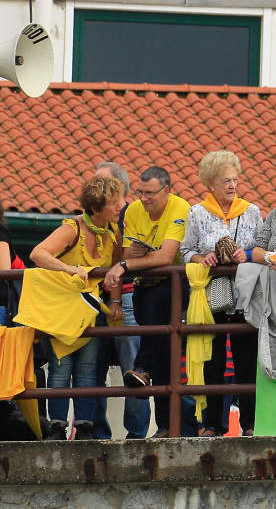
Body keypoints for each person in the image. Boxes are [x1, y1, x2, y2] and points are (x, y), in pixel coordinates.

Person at [29, 176, 126, 441]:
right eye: (114, 202)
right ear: (96, 208)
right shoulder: (72, 228)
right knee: (60, 368)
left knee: (88, 368)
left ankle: (84, 427)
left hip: (90, 313)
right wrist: (70, 269)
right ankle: (57, 427)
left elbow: (115, 270)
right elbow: (38, 253)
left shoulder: (113, 232)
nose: (121, 205)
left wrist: (115, 300)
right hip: (63, 311)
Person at [179, 150, 263, 438]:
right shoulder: (197, 213)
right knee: (212, 359)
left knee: (247, 358)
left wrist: (247, 253)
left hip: (245, 294)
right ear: (211, 184)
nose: (232, 185)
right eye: (225, 180)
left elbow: (262, 249)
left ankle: (252, 423)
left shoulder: (251, 211)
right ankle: (212, 424)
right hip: (211, 294)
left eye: (235, 180)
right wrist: (202, 258)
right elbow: (185, 251)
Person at [101, 166, 190, 436]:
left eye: (150, 193)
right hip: (144, 287)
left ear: (167, 190)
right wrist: (131, 261)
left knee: (171, 357)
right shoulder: (134, 211)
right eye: (140, 192)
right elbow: (130, 251)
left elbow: (165, 258)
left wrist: (127, 263)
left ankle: (141, 368)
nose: (144, 198)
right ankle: (165, 425)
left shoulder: (180, 207)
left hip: (175, 286)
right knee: (163, 353)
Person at [90, 161, 149, 440]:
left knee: (133, 369)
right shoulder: (90, 215)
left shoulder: (133, 215)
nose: (96, 188)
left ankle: (136, 433)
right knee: (92, 369)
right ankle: (95, 430)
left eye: (102, 182)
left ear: (121, 187)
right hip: (93, 300)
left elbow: (128, 255)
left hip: (125, 298)